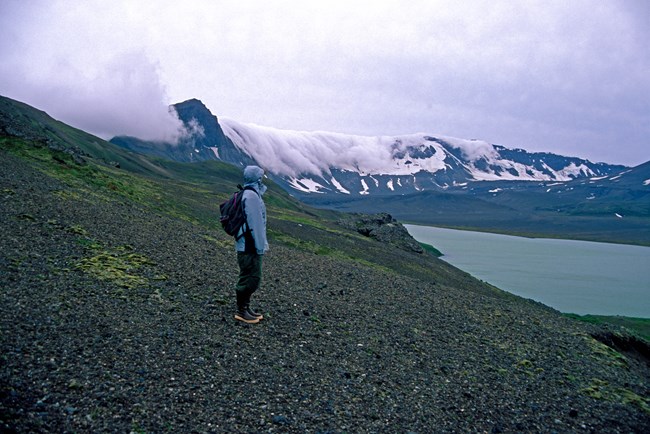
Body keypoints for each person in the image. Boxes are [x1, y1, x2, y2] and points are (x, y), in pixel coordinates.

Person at [233, 165, 269, 324]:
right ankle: (241, 311)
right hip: (250, 246)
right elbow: (256, 225)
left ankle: (245, 307)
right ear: (257, 179)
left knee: (250, 276)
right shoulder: (252, 197)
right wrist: (260, 247)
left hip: (247, 244)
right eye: (261, 177)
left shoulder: (249, 193)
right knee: (251, 278)